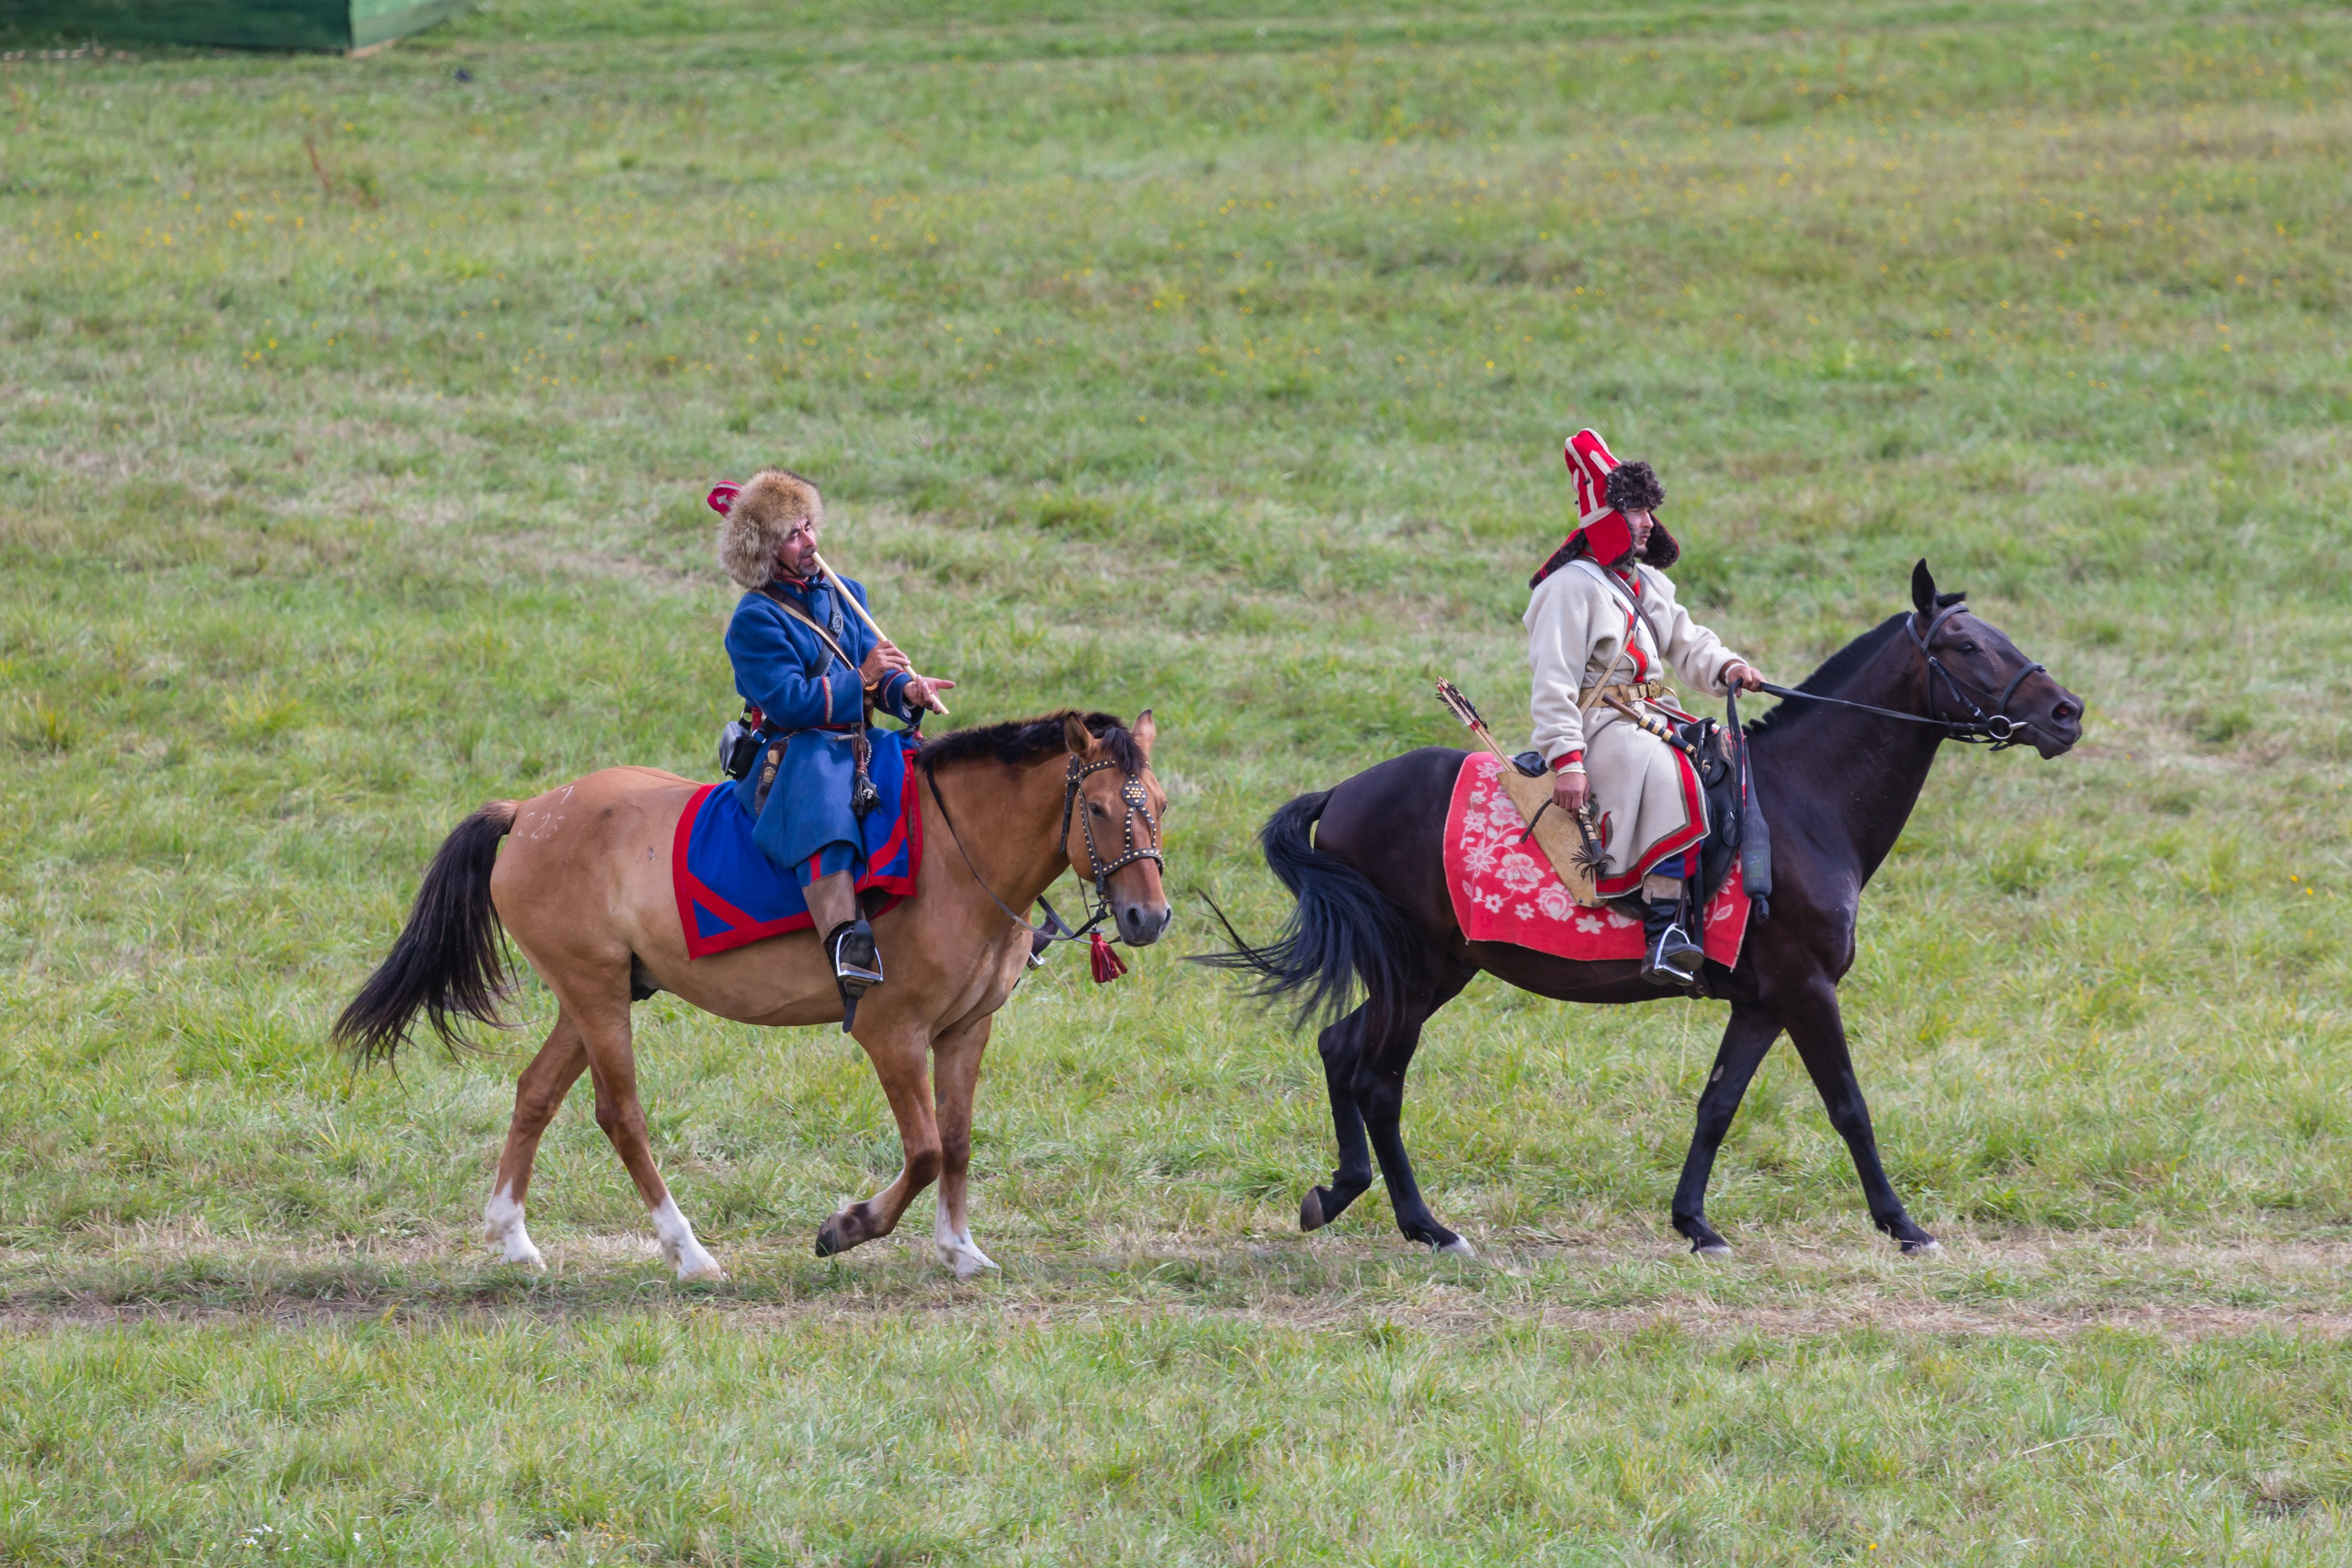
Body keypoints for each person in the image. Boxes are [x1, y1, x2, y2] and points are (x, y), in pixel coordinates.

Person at [1524, 429, 1767, 986]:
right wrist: (1567, 758)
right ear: (1606, 515)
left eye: (1649, 510)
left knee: (1724, 758)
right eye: (1634, 510)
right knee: (1667, 772)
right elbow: (1553, 680)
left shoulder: (1647, 581)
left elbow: (1687, 640)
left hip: (1657, 714)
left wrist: (1727, 665)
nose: (1648, 522)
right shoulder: (1569, 589)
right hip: (1603, 724)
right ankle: (1664, 933)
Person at [712, 468, 953, 1007]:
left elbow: (875, 676)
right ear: (764, 551)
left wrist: (904, 693)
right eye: (793, 535)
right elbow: (790, 703)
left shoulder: (847, 594)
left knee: (923, 769)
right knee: (822, 788)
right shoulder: (754, 620)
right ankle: (845, 937)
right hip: (791, 751)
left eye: (807, 526)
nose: (809, 542)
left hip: (855, 740)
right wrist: (864, 677)